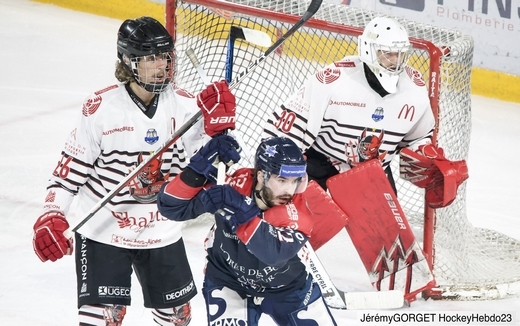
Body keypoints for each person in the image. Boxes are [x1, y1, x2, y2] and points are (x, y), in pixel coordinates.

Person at [31, 16, 236, 326]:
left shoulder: (185, 106)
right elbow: (67, 175)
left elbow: (220, 167)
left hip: (161, 231)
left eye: (165, 57)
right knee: (103, 319)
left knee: (177, 318)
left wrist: (219, 129)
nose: (162, 66)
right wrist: (51, 214)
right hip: (103, 232)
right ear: (128, 61)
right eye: (151, 58)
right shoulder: (102, 108)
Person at [262, 16, 467, 208]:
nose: (395, 61)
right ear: (369, 50)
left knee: (386, 234)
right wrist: (279, 164)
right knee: (293, 224)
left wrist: (425, 153)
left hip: (373, 172)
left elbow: (419, 136)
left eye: (400, 54)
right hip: (323, 162)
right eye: (387, 53)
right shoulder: (334, 80)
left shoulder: (414, 89)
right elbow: (289, 128)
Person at [157, 136, 337, 325]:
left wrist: (239, 209)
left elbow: (272, 253)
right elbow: (172, 207)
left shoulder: (298, 213)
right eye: (282, 180)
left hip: (287, 288)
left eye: (295, 181)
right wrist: (200, 165)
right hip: (228, 282)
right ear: (261, 176)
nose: (289, 191)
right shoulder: (234, 186)